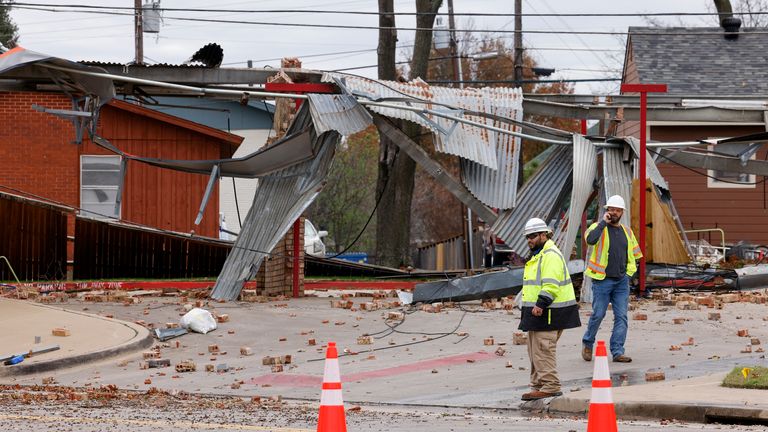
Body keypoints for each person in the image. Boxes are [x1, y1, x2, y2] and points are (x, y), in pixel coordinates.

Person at [519, 217, 581, 401]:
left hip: (548, 311)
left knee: (543, 348)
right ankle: (539, 384)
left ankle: (550, 385)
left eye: (533, 236)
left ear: (544, 234)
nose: (529, 240)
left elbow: (551, 284)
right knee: (534, 349)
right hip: (537, 312)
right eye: (527, 237)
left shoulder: (550, 255)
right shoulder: (538, 256)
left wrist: (541, 304)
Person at [581, 195, 643, 363]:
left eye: (617, 210)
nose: (614, 212)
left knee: (621, 316)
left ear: (622, 212)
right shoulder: (597, 227)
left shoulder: (627, 232)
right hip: (602, 281)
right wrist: (603, 223)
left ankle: (617, 351)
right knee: (598, 314)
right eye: (611, 209)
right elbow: (591, 240)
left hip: (621, 281)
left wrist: (629, 275)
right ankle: (587, 343)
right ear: (606, 210)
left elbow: (636, 255)